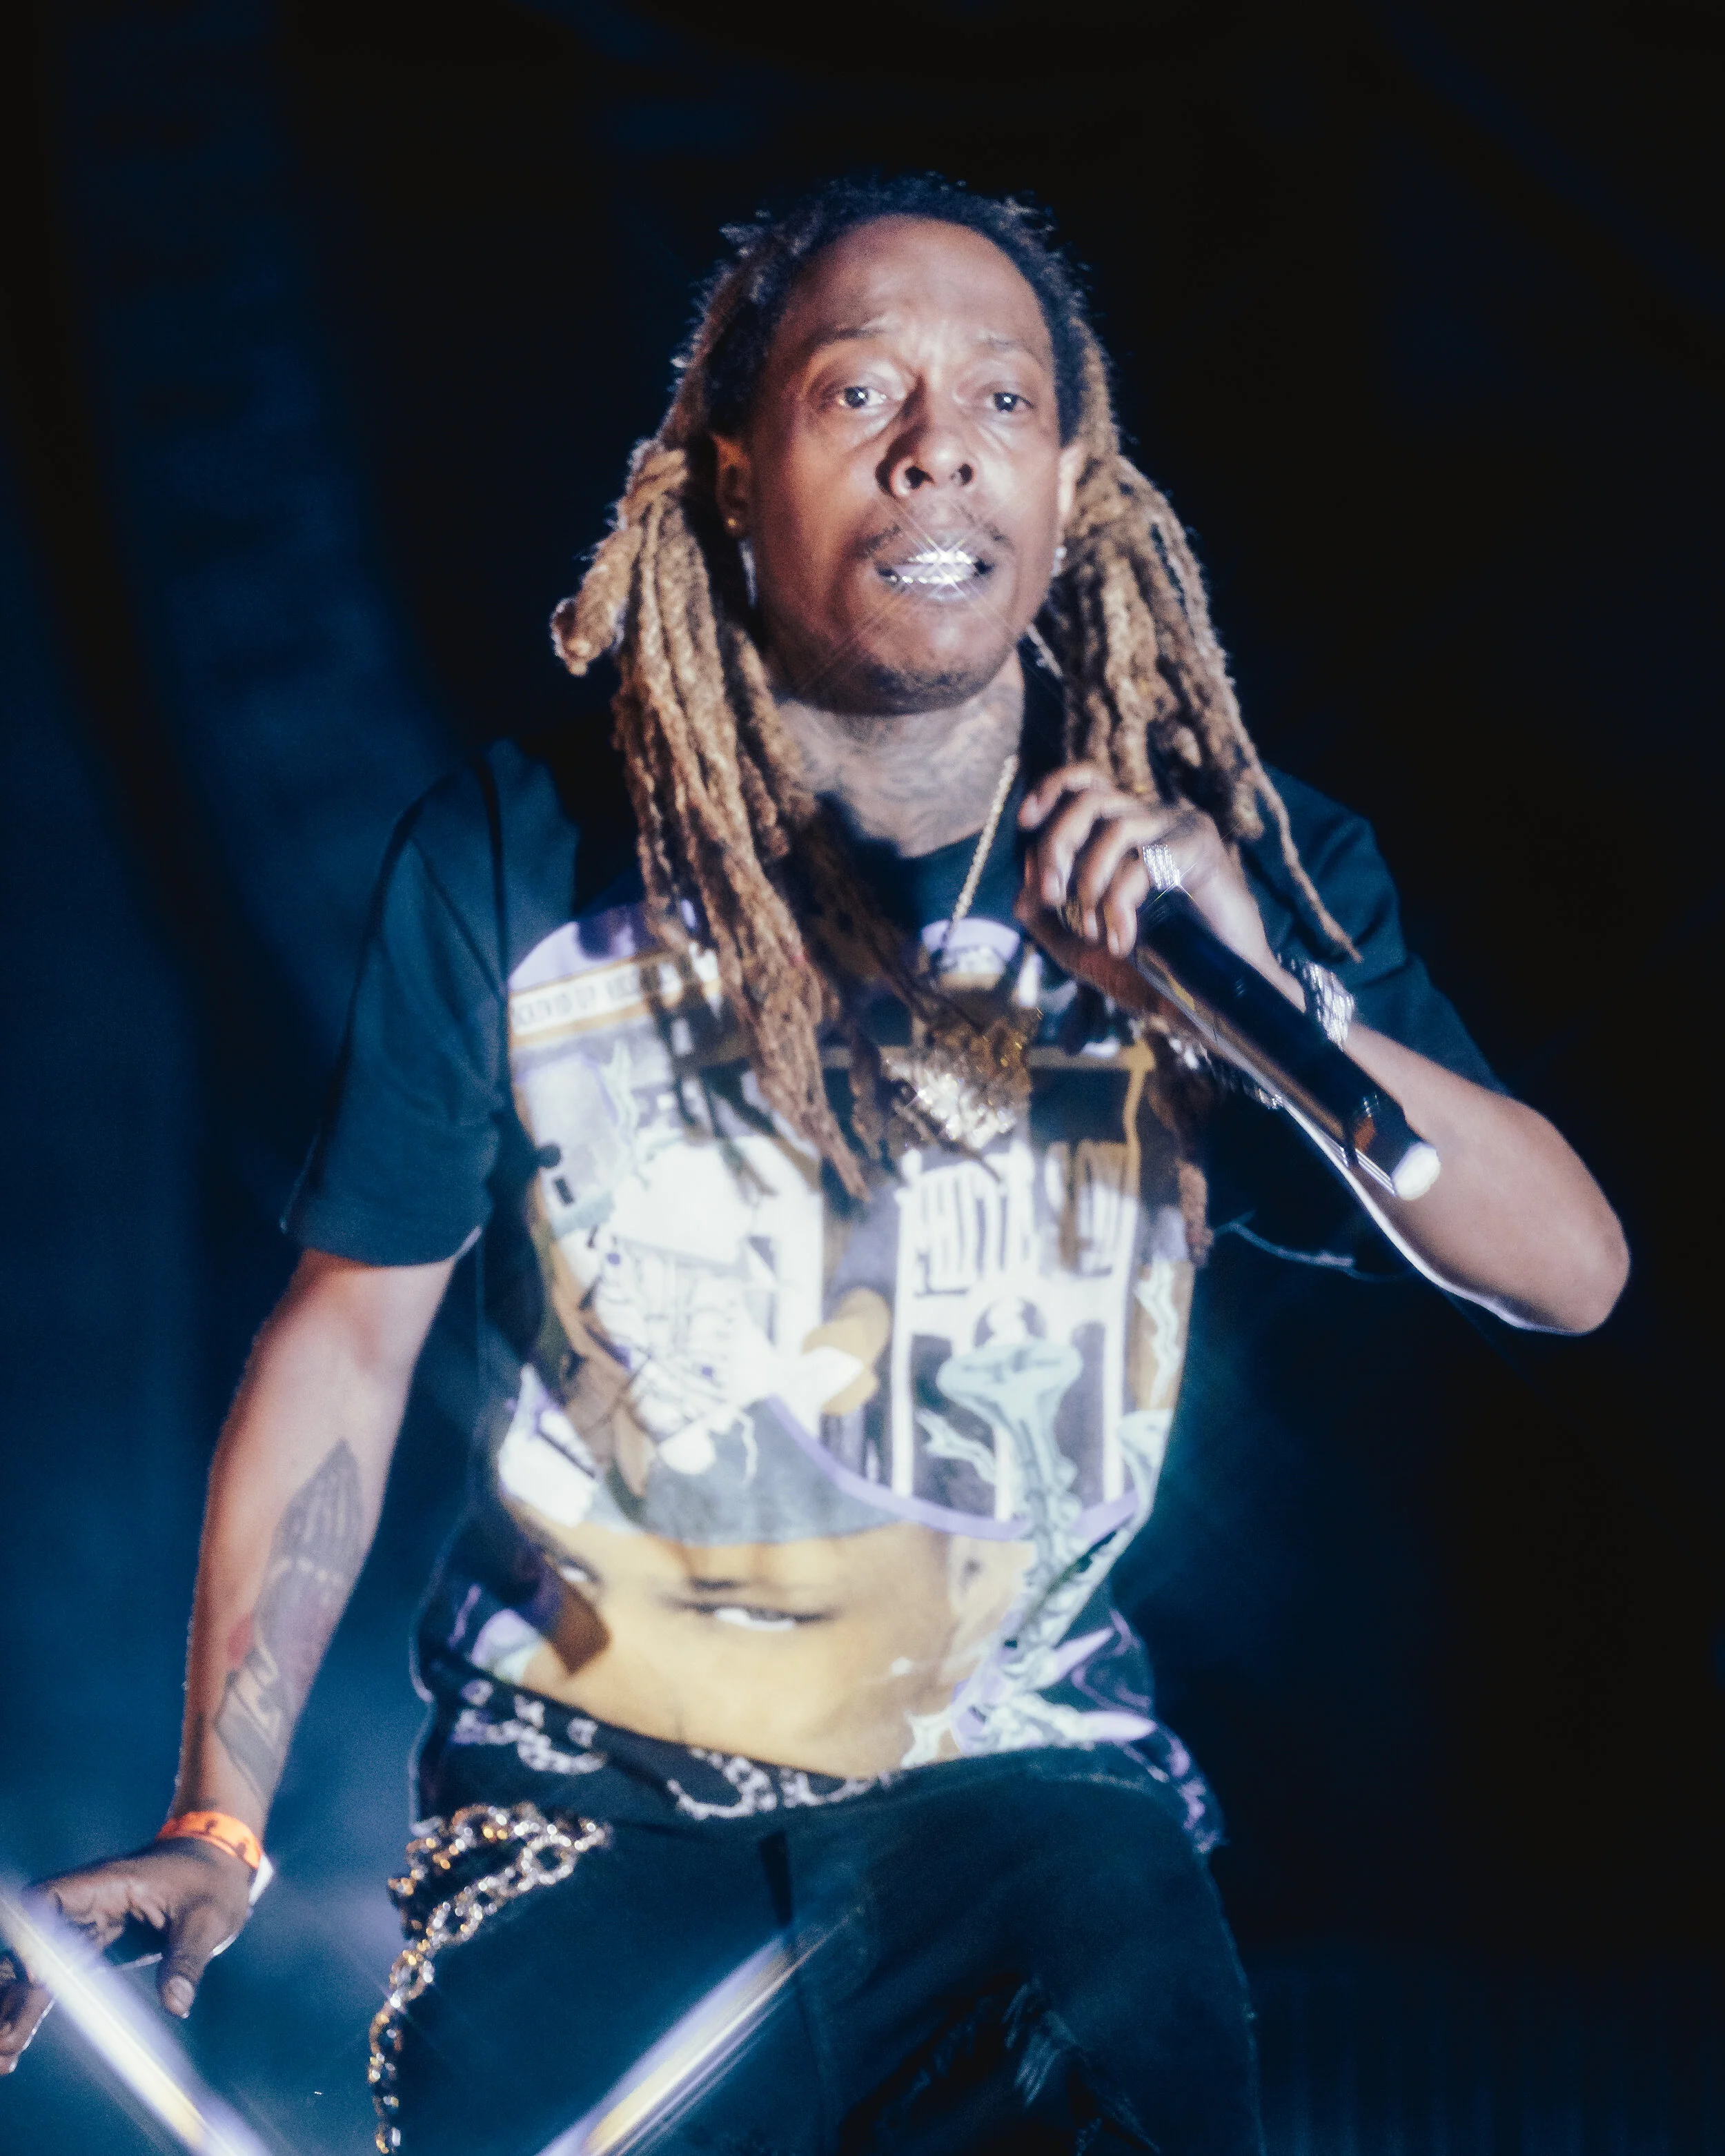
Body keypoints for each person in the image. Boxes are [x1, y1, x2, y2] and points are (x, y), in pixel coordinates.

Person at [0, 175, 1628, 2154]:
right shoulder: (519, 858)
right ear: (729, 479)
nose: (942, 445)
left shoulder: (1209, 879)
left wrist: (1263, 1006)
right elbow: (349, 1337)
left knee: (1121, 2030)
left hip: (1025, 1807)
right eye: (861, 393)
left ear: (1070, 490)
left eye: (1004, 401)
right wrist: (218, 1818)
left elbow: (1567, 1267)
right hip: (582, 1813)